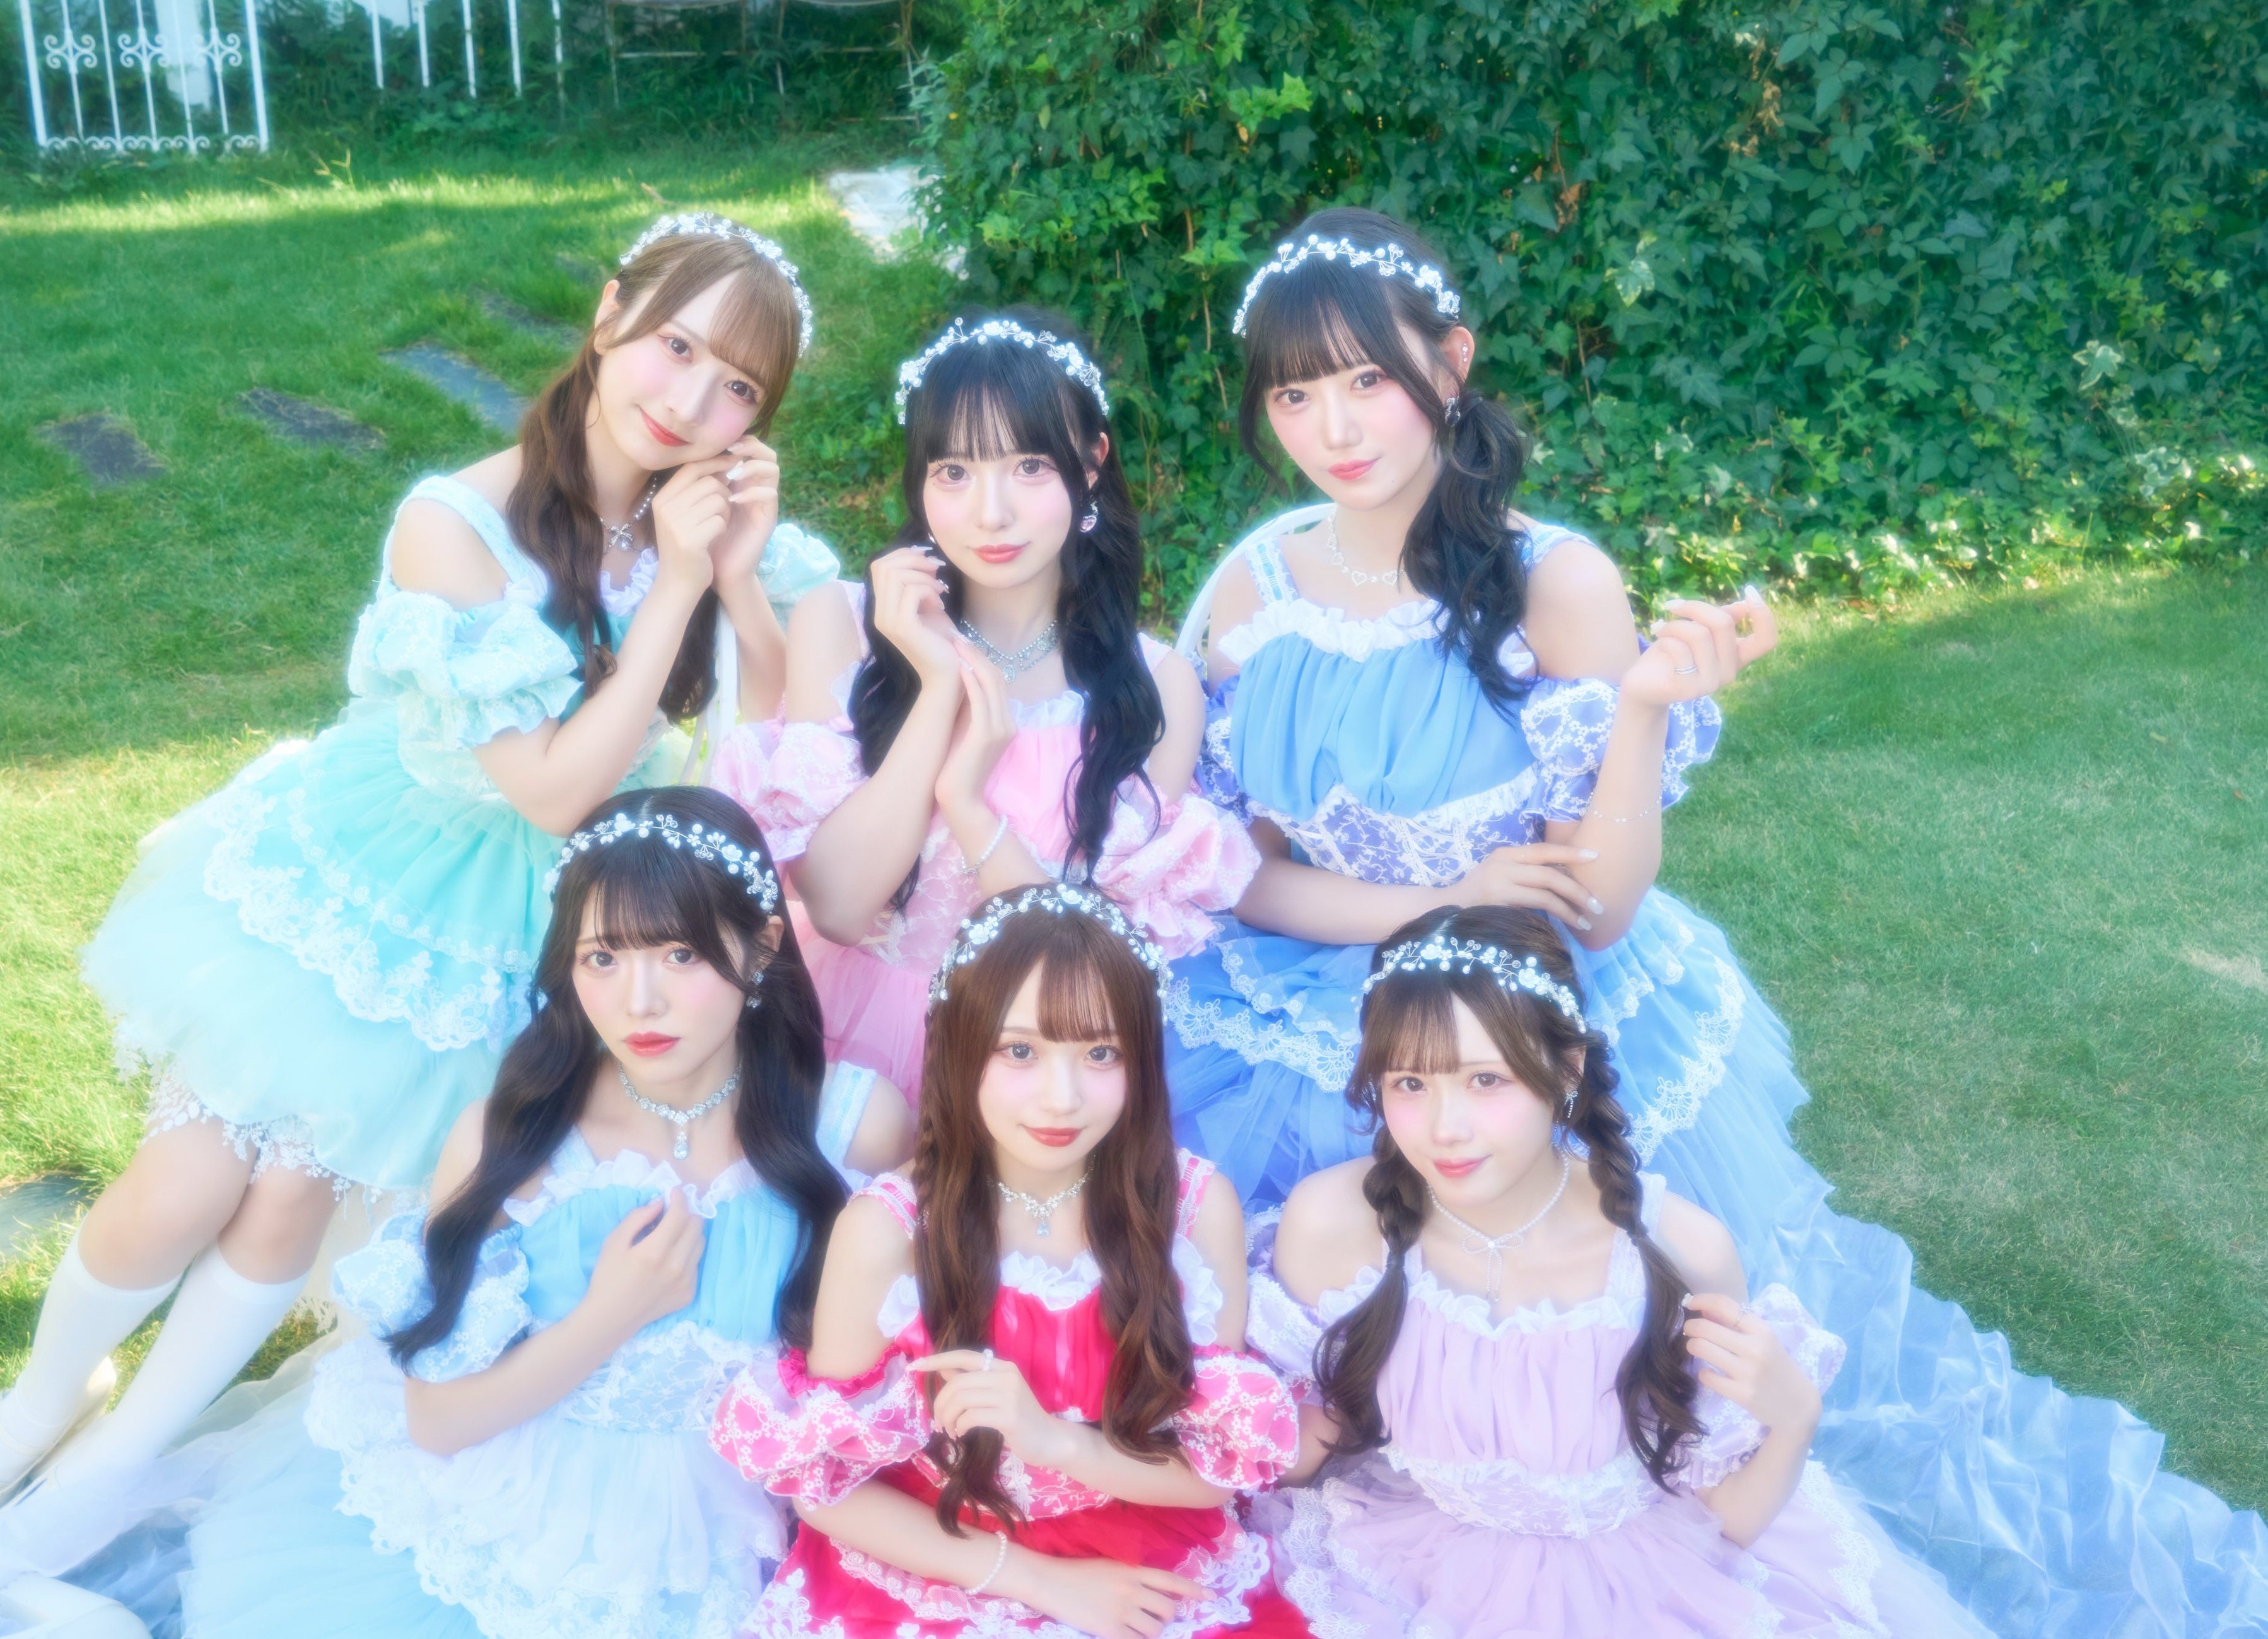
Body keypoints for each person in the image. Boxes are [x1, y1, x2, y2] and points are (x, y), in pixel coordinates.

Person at [1172, 204, 2268, 1631]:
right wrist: (1437, 897)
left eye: (1367, 378)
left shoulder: (1553, 578)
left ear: (1451, 360)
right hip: (1293, 1001)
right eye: (1294, 391)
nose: (1333, 425)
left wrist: (1639, 710)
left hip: (1523, 1014)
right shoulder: (1254, 586)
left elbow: (1599, 906)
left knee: (1622, 1372)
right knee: (1308, 1347)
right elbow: (1235, 872)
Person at [0, 213, 843, 1548]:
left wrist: (729, 580)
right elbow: (553, 786)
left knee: (298, 1192)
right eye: (674, 346)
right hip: (385, 874)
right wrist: (679, 586)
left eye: (736, 385)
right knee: (187, 1182)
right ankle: (39, 1402)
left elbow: (770, 746)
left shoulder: (706, 534)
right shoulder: (457, 526)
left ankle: (118, 1462)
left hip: (550, 924)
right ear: (610, 313)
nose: (690, 400)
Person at [0, 787, 911, 1639]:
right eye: (604, 955)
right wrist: (606, 1316)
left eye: (681, 953)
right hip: (508, 1500)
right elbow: (439, 1420)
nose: (642, 999)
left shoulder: (850, 1126)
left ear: (762, 946)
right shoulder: (518, 1141)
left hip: (728, 1528)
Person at [1248, 904, 1990, 1636]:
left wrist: (1794, 1419)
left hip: (1642, 1588)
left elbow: (1722, 1525)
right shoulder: (1335, 1227)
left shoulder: (1677, 1254)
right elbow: (1314, 1438)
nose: (1445, 1128)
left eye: (1486, 1079)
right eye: (1410, 1083)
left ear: (1565, 1069)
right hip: (1412, 1569)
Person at [710, 885, 1307, 1639]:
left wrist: (1055, 1440)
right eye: (1020, 1051)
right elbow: (826, 1488)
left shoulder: (1190, 1208)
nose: (1062, 1098)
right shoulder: (889, 1228)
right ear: (961, 1048)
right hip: (940, 1560)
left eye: (1100, 1053)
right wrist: (1040, 1581)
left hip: (1146, 1551)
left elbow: (1218, 1472)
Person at [715, 310, 1256, 1101]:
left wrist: (968, 806)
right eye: (955, 472)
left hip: (1050, 1066)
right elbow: (836, 905)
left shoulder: (1158, 685)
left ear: (1092, 463)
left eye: (1029, 466)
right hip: (846, 1047)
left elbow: (1088, 962)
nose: (990, 513)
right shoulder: (841, 622)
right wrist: (938, 689)